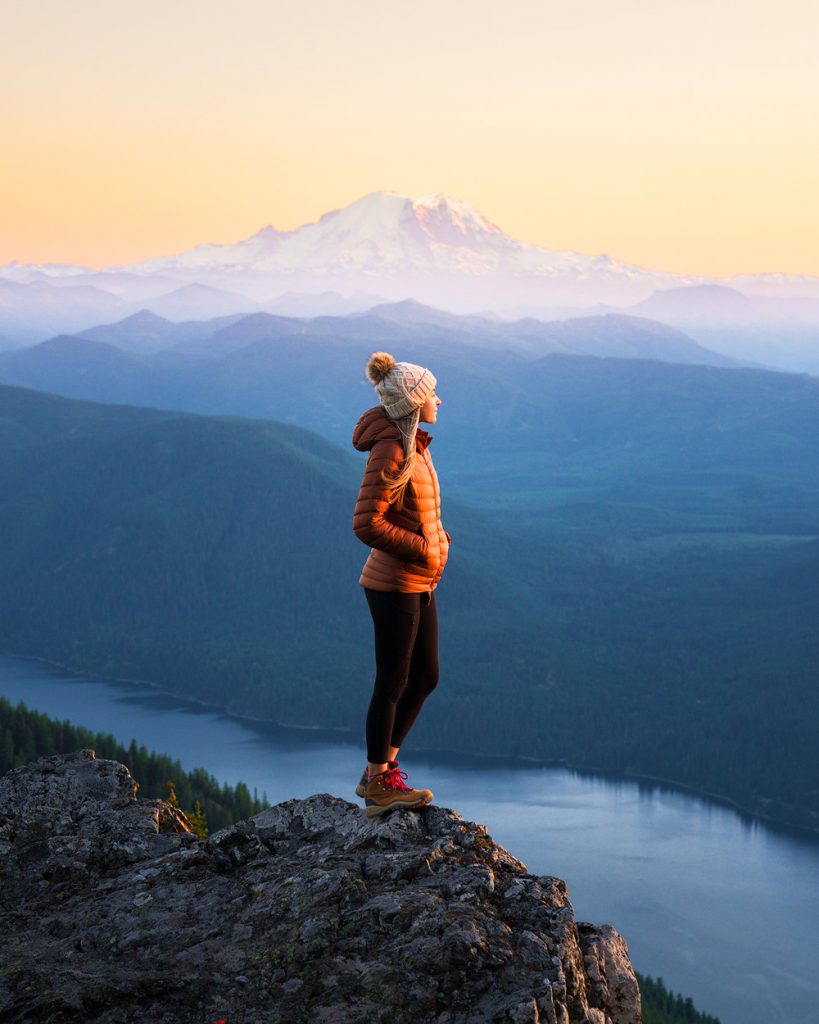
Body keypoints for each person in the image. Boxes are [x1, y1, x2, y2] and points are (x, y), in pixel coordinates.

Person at [351, 351, 451, 817]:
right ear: (413, 402)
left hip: (418, 579)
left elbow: (409, 511)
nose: (439, 401)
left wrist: (434, 542)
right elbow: (366, 523)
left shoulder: (414, 444)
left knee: (425, 676)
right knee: (392, 681)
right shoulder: (391, 449)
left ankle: (382, 769)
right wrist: (418, 546)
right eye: (432, 393)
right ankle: (378, 784)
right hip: (394, 583)